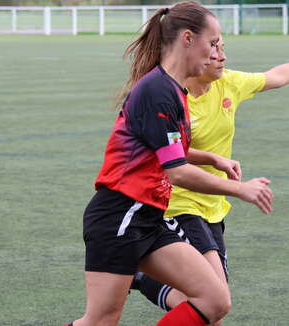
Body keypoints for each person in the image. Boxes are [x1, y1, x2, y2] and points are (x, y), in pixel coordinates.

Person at [65, 3, 273, 326]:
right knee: (100, 321)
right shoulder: (157, 90)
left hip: (149, 219)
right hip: (120, 216)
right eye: (213, 43)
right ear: (188, 39)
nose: (218, 52)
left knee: (215, 300)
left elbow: (166, 150)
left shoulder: (176, 91)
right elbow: (176, 171)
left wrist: (211, 158)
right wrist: (240, 189)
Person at [130, 35, 289, 325]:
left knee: (211, 308)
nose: (221, 56)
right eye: (214, 49)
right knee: (215, 304)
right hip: (178, 203)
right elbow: (166, 149)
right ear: (193, 53)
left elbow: (277, 76)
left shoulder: (229, 82)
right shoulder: (172, 95)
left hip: (213, 206)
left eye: (223, 49)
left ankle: (143, 279)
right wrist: (216, 162)